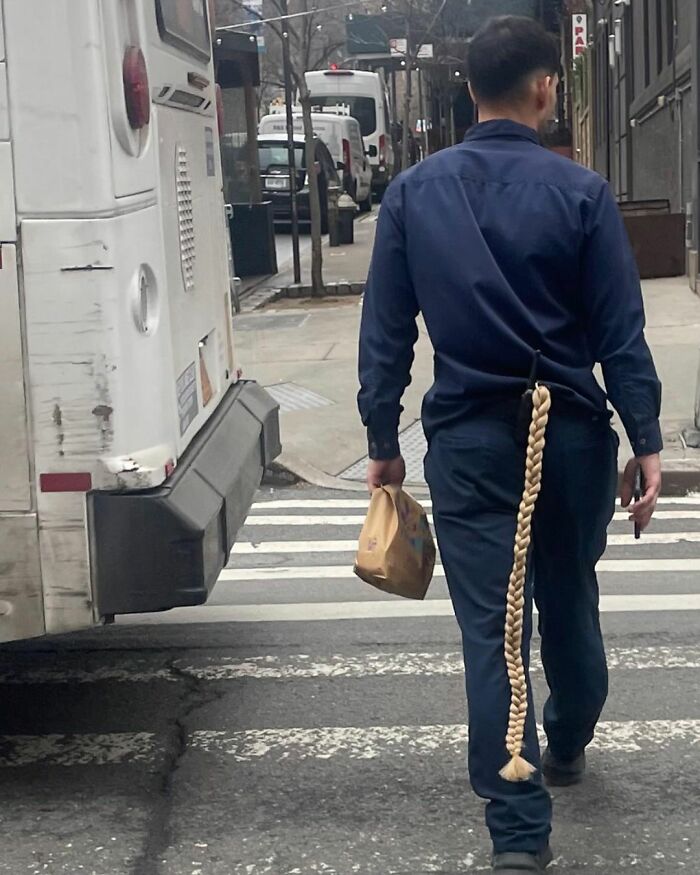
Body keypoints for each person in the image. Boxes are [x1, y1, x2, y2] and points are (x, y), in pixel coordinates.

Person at [357, 15, 662, 874]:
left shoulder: (414, 193)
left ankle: (519, 836)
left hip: (468, 443)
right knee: (568, 600)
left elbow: (385, 334)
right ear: (545, 89)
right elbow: (620, 334)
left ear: (467, 92)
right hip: (567, 441)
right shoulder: (582, 193)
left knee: (494, 635)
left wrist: (381, 438)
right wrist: (645, 438)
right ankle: (566, 738)